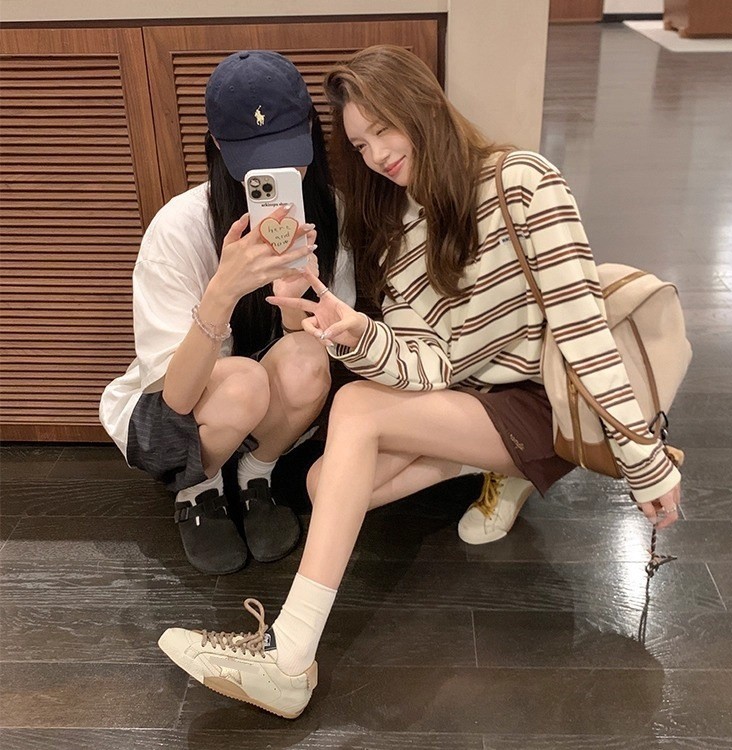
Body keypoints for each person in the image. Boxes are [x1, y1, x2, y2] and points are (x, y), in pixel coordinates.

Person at [157, 45, 682, 718]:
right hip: (471, 401)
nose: (377, 154)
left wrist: (644, 462)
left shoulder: (523, 180)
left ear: (425, 107)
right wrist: (355, 333)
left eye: (385, 129)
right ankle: (505, 467)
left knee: (356, 409)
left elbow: (583, 332)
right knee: (323, 484)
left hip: (546, 400)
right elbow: (429, 365)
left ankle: (288, 656)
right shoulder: (396, 232)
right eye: (360, 143)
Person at [99, 50, 355, 575]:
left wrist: (294, 303)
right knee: (241, 384)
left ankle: (255, 475)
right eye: (256, 162)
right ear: (217, 144)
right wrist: (222, 292)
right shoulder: (180, 227)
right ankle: (199, 489)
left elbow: (328, 350)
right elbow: (176, 396)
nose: (279, 174)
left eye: (289, 154)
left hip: (266, 403)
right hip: (181, 411)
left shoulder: (331, 213)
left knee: (308, 360)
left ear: (310, 129)